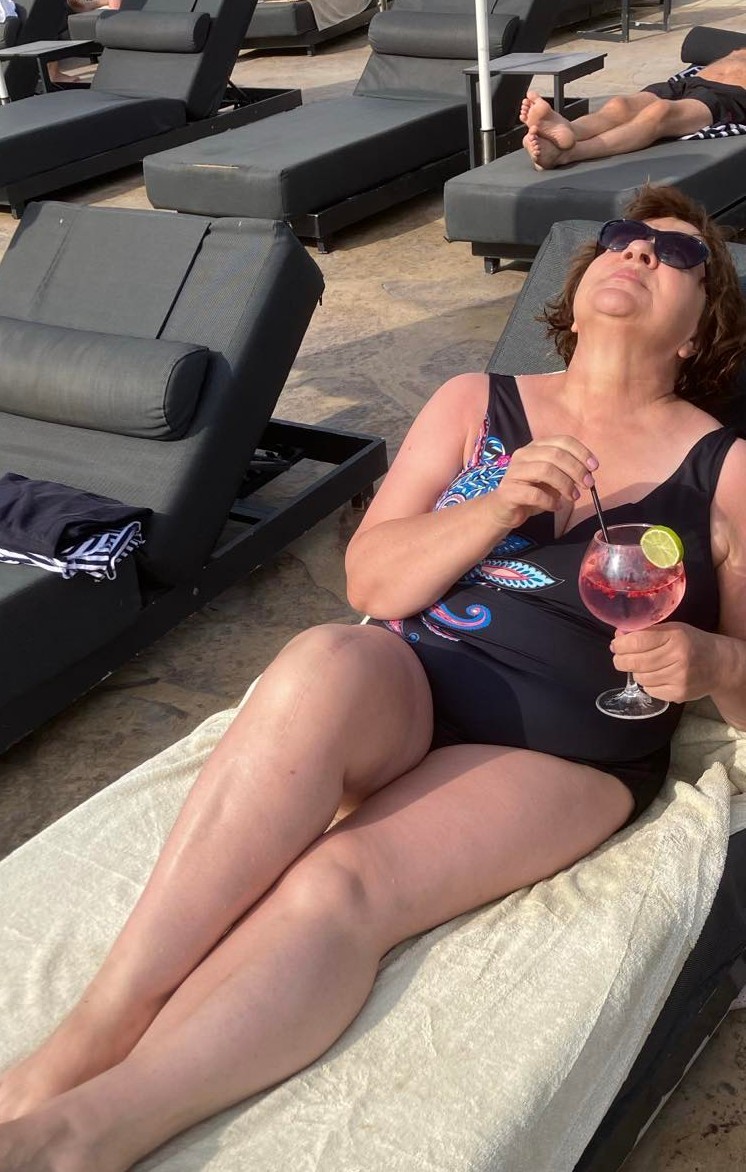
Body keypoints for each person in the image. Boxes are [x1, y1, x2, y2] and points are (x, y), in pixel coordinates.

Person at [1, 184, 746, 1171]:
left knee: (337, 879)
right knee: (322, 655)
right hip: (410, 680)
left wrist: (710, 660)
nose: (639, 252)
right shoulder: (473, 403)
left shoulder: (725, 469)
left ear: (699, 331)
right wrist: (490, 509)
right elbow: (370, 581)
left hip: (559, 748)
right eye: (622, 237)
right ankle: (92, 1032)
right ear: (577, 288)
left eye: (677, 253)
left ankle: (81, 1134)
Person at [521, 47, 746, 169]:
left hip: (729, 98)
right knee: (620, 105)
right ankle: (569, 129)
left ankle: (569, 153)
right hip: (687, 82)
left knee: (661, 112)